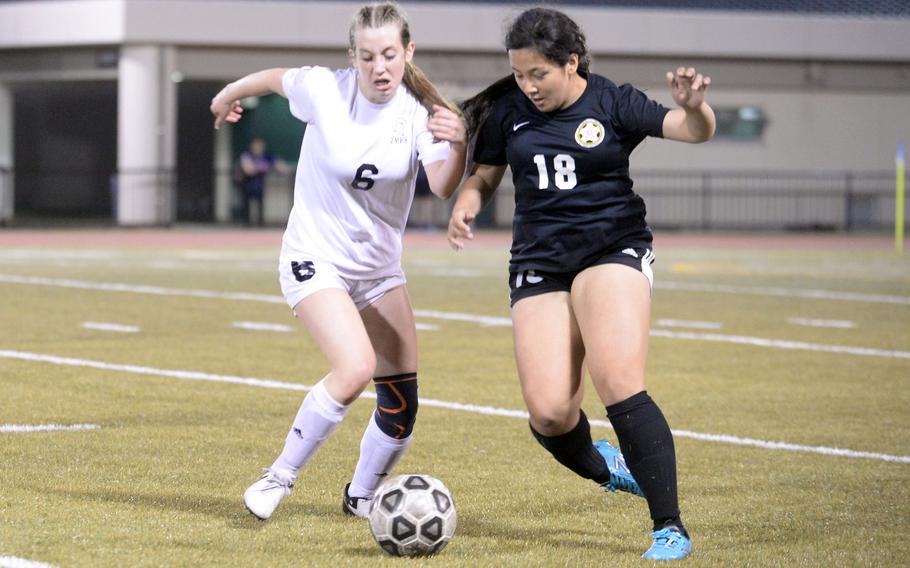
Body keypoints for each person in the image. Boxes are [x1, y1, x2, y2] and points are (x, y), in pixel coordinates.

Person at [447, 8, 715, 561]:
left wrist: (697, 108)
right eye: (519, 75)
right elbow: (485, 174)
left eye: (537, 74)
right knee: (548, 413)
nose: (527, 86)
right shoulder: (508, 110)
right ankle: (605, 467)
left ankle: (669, 527)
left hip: (610, 249)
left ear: (571, 63)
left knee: (616, 378)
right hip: (540, 262)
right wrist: (466, 206)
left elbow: (690, 130)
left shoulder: (614, 101)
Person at [210, 1, 467, 522]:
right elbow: (273, 78)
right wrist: (227, 95)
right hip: (315, 257)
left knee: (401, 406)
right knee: (353, 369)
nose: (380, 68)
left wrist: (457, 144)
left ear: (408, 52)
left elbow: (441, 185)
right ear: (353, 56)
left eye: (390, 55)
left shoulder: (419, 112)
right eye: (368, 56)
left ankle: (361, 496)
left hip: (377, 270)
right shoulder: (325, 88)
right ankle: (277, 478)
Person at [235, 137, 276, 226]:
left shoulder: (266, 155)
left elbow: (276, 163)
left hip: (259, 184)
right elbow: (249, 170)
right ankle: (246, 223)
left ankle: (260, 223)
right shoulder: (246, 155)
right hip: (247, 184)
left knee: (260, 203)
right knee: (246, 204)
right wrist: (262, 167)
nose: (258, 148)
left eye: (260, 146)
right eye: (256, 146)